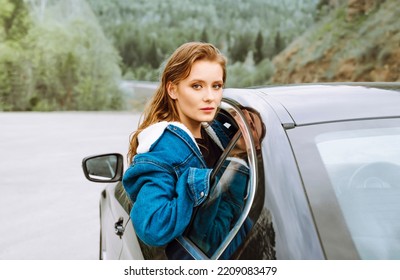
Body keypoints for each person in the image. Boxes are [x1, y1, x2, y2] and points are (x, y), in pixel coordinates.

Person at [122, 42, 241, 258]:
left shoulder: (216, 131)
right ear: (173, 89)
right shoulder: (163, 148)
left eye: (216, 86)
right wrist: (203, 182)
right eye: (197, 86)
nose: (210, 97)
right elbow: (152, 226)